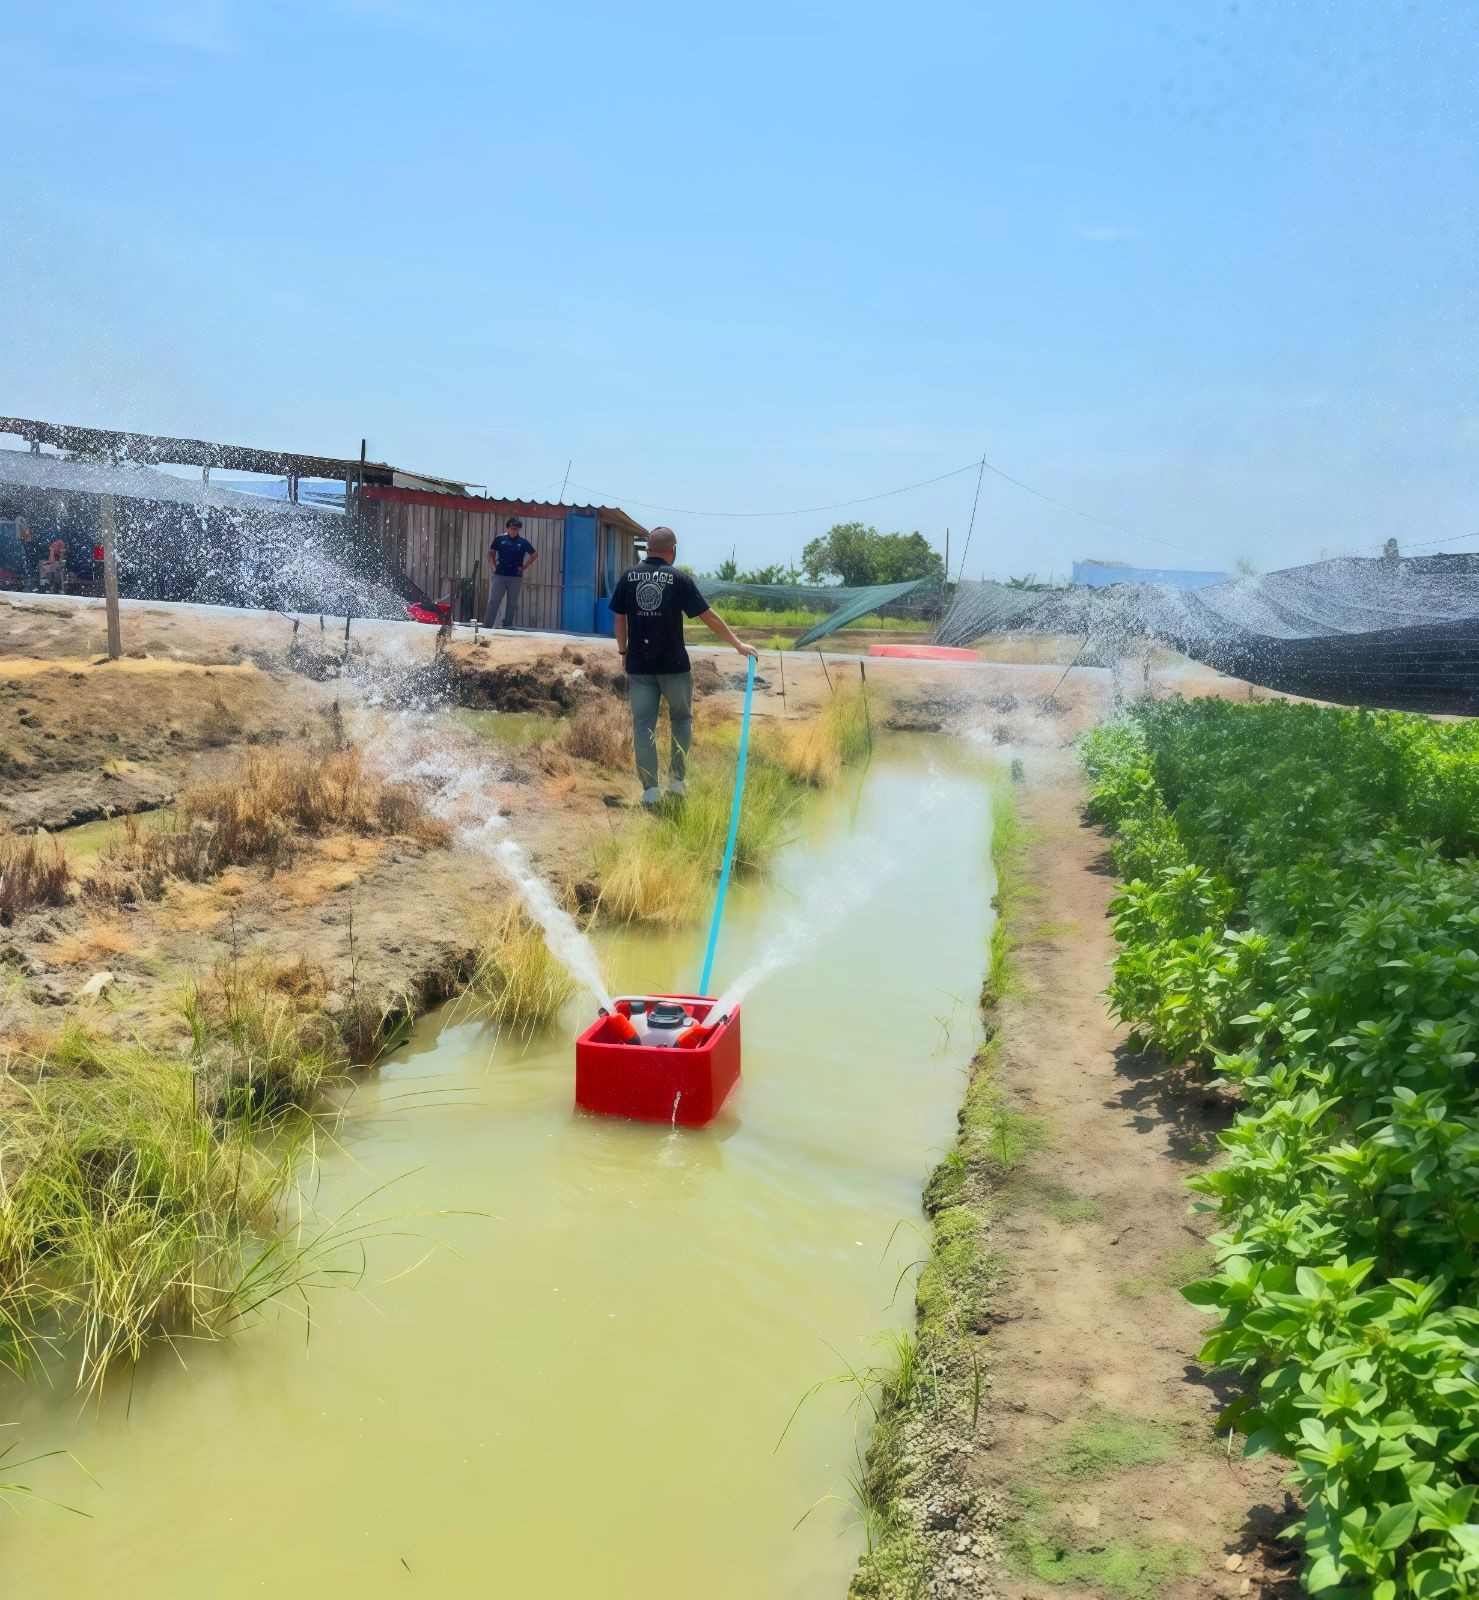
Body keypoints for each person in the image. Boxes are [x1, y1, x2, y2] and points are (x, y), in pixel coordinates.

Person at [609, 526, 757, 806]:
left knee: (643, 728)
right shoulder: (679, 579)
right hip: (674, 666)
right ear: (672, 550)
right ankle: (676, 785)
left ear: (647, 549)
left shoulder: (628, 577)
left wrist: (623, 651)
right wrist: (738, 645)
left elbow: (619, 619)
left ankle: (650, 793)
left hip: (640, 666)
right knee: (681, 721)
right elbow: (707, 616)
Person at [484, 515, 537, 627]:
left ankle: (507, 625)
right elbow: (490, 553)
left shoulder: (523, 542)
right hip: (499, 576)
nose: (514, 530)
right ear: (508, 528)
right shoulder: (499, 539)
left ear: (519, 530)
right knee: (493, 601)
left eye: (517, 528)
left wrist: (524, 567)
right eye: (512, 528)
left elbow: (535, 554)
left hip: (515, 577)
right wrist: (494, 567)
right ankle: (487, 626)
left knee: (512, 603)